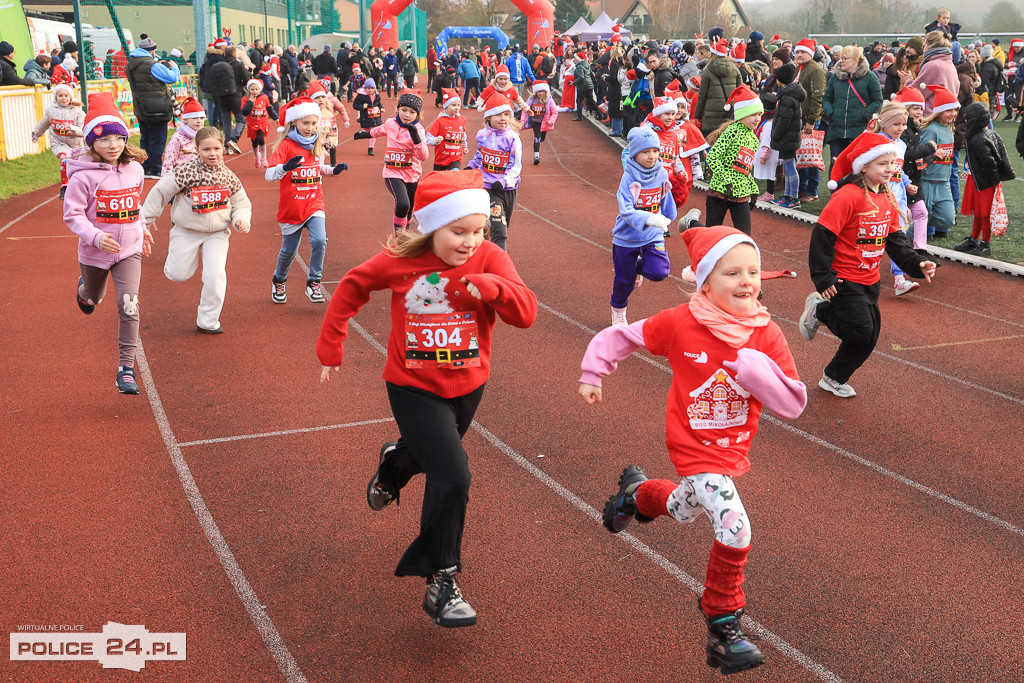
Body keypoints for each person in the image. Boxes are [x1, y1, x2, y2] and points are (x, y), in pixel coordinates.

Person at [580, 225, 806, 675]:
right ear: (704, 281)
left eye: (753, 272)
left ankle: (636, 496)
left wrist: (757, 371)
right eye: (732, 273)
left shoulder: (766, 336)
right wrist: (593, 372)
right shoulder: (681, 322)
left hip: (731, 449)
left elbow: (793, 403)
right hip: (692, 445)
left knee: (683, 509)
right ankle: (722, 622)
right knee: (735, 527)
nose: (747, 281)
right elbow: (622, 336)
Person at [316, 169, 538, 629]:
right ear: (430, 226)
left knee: (431, 457)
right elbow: (351, 287)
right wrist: (331, 345)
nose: (470, 242)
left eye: (478, 231)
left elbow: (527, 313)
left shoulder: (490, 257)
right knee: (453, 475)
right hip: (412, 387)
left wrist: (494, 289)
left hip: (469, 386)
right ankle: (442, 580)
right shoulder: (398, 261)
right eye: (459, 232)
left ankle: (395, 463)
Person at [799, 132, 937, 398]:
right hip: (842, 279)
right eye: (881, 164)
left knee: (869, 336)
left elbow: (896, 242)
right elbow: (822, 236)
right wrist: (823, 278)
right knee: (860, 329)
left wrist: (919, 263)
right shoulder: (847, 196)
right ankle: (820, 311)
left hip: (870, 280)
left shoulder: (887, 198)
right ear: (864, 166)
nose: (889, 169)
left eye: (891, 163)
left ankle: (833, 377)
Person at [62, 93, 153, 395]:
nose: (113, 145)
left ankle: (125, 369)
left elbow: (136, 205)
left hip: (129, 251)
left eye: (118, 138)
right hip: (94, 252)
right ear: (91, 143)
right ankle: (84, 291)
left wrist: (142, 229)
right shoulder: (82, 179)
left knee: (129, 306)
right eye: (104, 140)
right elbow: (72, 215)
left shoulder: (135, 170)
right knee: (94, 297)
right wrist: (96, 237)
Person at [142, 126, 252, 334]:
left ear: (223, 148)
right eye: (206, 149)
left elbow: (241, 203)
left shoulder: (228, 176)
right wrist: (147, 218)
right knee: (178, 275)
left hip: (217, 233)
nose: (212, 154)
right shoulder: (185, 172)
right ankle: (176, 262)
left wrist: (240, 218)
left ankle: (208, 320)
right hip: (187, 230)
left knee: (215, 275)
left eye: (217, 149)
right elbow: (160, 191)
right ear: (197, 149)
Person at [265, 96, 348, 305]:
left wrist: (332, 170)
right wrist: (285, 167)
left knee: (320, 240)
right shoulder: (285, 146)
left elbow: (317, 169)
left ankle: (314, 282)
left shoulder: (317, 142)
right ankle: (279, 279)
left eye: (313, 123)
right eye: (305, 123)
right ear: (294, 122)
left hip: (314, 203)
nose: (310, 128)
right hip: (292, 207)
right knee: (289, 251)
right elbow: (269, 175)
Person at [608, 128, 678, 326]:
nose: (652, 156)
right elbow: (626, 211)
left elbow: (665, 198)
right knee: (624, 281)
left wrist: (669, 217)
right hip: (626, 237)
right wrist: (651, 218)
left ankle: (638, 268)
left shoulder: (662, 172)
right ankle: (618, 308)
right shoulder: (628, 177)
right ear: (635, 154)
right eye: (646, 152)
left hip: (653, 234)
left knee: (660, 271)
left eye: (655, 151)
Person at [353, 89, 428, 231]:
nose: (407, 115)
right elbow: (379, 130)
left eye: (412, 112)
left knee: (410, 207)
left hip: (412, 174)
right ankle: (398, 239)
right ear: (398, 109)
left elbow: (423, 156)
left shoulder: (419, 129)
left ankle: (405, 233)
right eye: (404, 110)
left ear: (418, 114)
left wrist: (416, 139)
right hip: (392, 172)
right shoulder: (390, 123)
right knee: (402, 204)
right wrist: (365, 134)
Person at [867, 101, 920, 295]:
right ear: (884, 122)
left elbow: (898, 169)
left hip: (897, 200)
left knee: (899, 238)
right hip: (876, 199)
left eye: (904, 124)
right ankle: (858, 275)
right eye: (896, 124)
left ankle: (899, 279)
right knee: (873, 239)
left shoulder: (902, 145)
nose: (901, 128)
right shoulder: (875, 141)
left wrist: (906, 183)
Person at [954, 102, 1016, 256]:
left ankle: (985, 243)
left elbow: (990, 163)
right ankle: (974, 239)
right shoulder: (981, 134)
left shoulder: (979, 139)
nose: (966, 121)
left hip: (984, 182)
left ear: (975, 120)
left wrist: (993, 182)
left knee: (985, 213)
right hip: (977, 179)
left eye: (969, 118)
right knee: (979, 212)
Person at [466, 93, 523, 251]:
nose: (503, 118)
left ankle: (485, 239)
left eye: (506, 114)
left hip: (507, 189)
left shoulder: (512, 138)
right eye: (498, 114)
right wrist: (471, 166)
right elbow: (479, 156)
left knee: (503, 225)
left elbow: (515, 166)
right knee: (500, 230)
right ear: (489, 117)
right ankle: (497, 266)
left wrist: (504, 181)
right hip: (488, 187)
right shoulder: (482, 135)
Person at [704, 85, 762, 235]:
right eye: (752, 115)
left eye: (759, 115)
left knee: (744, 235)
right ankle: (691, 223)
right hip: (720, 190)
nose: (757, 119)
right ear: (742, 115)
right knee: (712, 233)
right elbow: (712, 157)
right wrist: (726, 180)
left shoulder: (754, 139)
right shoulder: (732, 131)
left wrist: (753, 188)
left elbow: (745, 168)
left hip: (741, 193)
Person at [126, 35, 181, 178]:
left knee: (146, 138)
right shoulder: (152, 65)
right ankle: (155, 169)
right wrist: (174, 68)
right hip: (158, 107)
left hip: (141, 106)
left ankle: (144, 168)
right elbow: (173, 78)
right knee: (157, 139)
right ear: (152, 51)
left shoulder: (132, 63)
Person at [822, 45, 883, 167]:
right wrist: (831, 113)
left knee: (856, 166)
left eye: (845, 58)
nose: (841, 60)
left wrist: (864, 114)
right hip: (837, 130)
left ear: (856, 60)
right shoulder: (835, 77)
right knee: (835, 166)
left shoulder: (870, 77)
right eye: (841, 58)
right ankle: (835, 187)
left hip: (859, 130)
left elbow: (878, 101)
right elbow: (826, 99)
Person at [895, 86, 935, 256]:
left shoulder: (915, 130)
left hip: (914, 181)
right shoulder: (902, 130)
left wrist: (931, 155)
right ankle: (901, 253)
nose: (920, 112)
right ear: (905, 109)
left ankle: (920, 248)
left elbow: (915, 157)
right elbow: (906, 153)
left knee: (921, 212)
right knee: (899, 221)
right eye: (916, 108)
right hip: (899, 181)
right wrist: (929, 148)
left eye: (921, 108)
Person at [917, 85, 959, 240]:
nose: (953, 114)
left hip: (944, 182)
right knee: (919, 219)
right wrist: (932, 154)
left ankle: (919, 222)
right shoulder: (931, 130)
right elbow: (919, 157)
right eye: (949, 110)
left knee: (949, 218)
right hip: (927, 181)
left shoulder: (949, 129)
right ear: (939, 111)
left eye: (955, 110)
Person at [31, 83, 85, 200]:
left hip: (75, 144)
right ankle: (65, 187)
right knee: (64, 160)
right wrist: (36, 134)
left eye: (66, 95)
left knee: (77, 166)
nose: (63, 98)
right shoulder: (51, 111)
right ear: (56, 97)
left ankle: (80, 187)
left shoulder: (78, 112)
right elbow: (43, 124)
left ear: (70, 97)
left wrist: (73, 129)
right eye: (60, 95)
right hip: (59, 144)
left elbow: (84, 129)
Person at [792, 39, 827, 202]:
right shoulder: (801, 68)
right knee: (802, 155)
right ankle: (802, 189)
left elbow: (817, 96)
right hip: (800, 117)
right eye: (797, 51)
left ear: (810, 54)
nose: (799, 54)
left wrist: (812, 120)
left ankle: (811, 191)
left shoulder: (815, 70)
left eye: (803, 52)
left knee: (811, 155)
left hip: (809, 119)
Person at [767, 63, 804, 209]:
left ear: (780, 80)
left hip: (787, 137)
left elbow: (784, 121)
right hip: (790, 137)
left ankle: (793, 197)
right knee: (789, 166)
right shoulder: (790, 94)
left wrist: (775, 136)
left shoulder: (787, 97)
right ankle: (788, 195)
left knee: (790, 167)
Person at [695, 39, 742, 137]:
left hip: (710, 118)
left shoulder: (707, 71)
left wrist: (697, 115)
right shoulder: (735, 69)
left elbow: (702, 96)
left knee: (710, 148)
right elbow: (740, 93)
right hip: (729, 116)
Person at [308, 80, 350, 166]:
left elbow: (333, 133)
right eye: (317, 97)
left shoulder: (328, 114)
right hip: (307, 151)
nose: (321, 100)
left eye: (323, 97)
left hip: (321, 149)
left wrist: (329, 141)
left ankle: (333, 164)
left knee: (318, 172)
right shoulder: (305, 114)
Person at [426, 89, 469, 171]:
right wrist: (435, 140)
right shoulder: (439, 121)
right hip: (441, 158)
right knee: (439, 181)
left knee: (454, 175)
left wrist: (464, 146)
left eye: (458, 105)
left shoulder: (462, 120)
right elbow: (427, 138)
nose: (457, 108)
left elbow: (463, 134)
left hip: (456, 157)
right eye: (453, 105)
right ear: (446, 106)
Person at [162, 96, 207, 174]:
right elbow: (168, 163)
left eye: (201, 118)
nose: (199, 121)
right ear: (185, 120)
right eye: (194, 118)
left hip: (200, 177)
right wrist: (165, 183)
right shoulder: (177, 138)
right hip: (181, 177)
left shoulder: (205, 136)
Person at [240, 79, 278, 168]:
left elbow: (269, 108)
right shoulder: (245, 99)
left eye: (256, 89)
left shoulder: (264, 97)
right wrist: (250, 102)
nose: (254, 91)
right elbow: (245, 112)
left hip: (262, 122)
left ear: (260, 89)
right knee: (254, 142)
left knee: (261, 139)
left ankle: (264, 158)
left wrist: (276, 117)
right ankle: (256, 156)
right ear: (248, 90)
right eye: (252, 89)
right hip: (252, 124)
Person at [520, 80, 557, 165]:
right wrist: (523, 121)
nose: (541, 94)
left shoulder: (549, 100)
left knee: (541, 137)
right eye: (539, 92)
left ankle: (542, 136)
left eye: (542, 92)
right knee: (537, 136)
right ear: (535, 92)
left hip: (545, 121)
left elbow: (554, 111)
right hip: (535, 120)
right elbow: (525, 109)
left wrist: (551, 120)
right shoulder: (532, 99)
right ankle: (536, 156)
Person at [352, 78, 384, 155]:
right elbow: (355, 105)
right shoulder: (361, 96)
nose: (370, 90)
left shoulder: (377, 95)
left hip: (376, 117)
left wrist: (381, 108)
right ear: (365, 88)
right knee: (367, 132)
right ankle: (362, 133)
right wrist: (362, 106)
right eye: (368, 88)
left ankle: (370, 148)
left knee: (374, 132)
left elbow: (378, 103)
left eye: (372, 88)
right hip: (365, 117)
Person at [572, 51, 598, 121]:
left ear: (578, 59)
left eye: (575, 58)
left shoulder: (579, 66)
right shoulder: (586, 64)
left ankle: (579, 116)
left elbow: (581, 77)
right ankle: (599, 113)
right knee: (591, 100)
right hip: (589, 84)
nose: (574, 59)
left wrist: (573, 82)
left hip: (582, 86)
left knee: (579, 100)